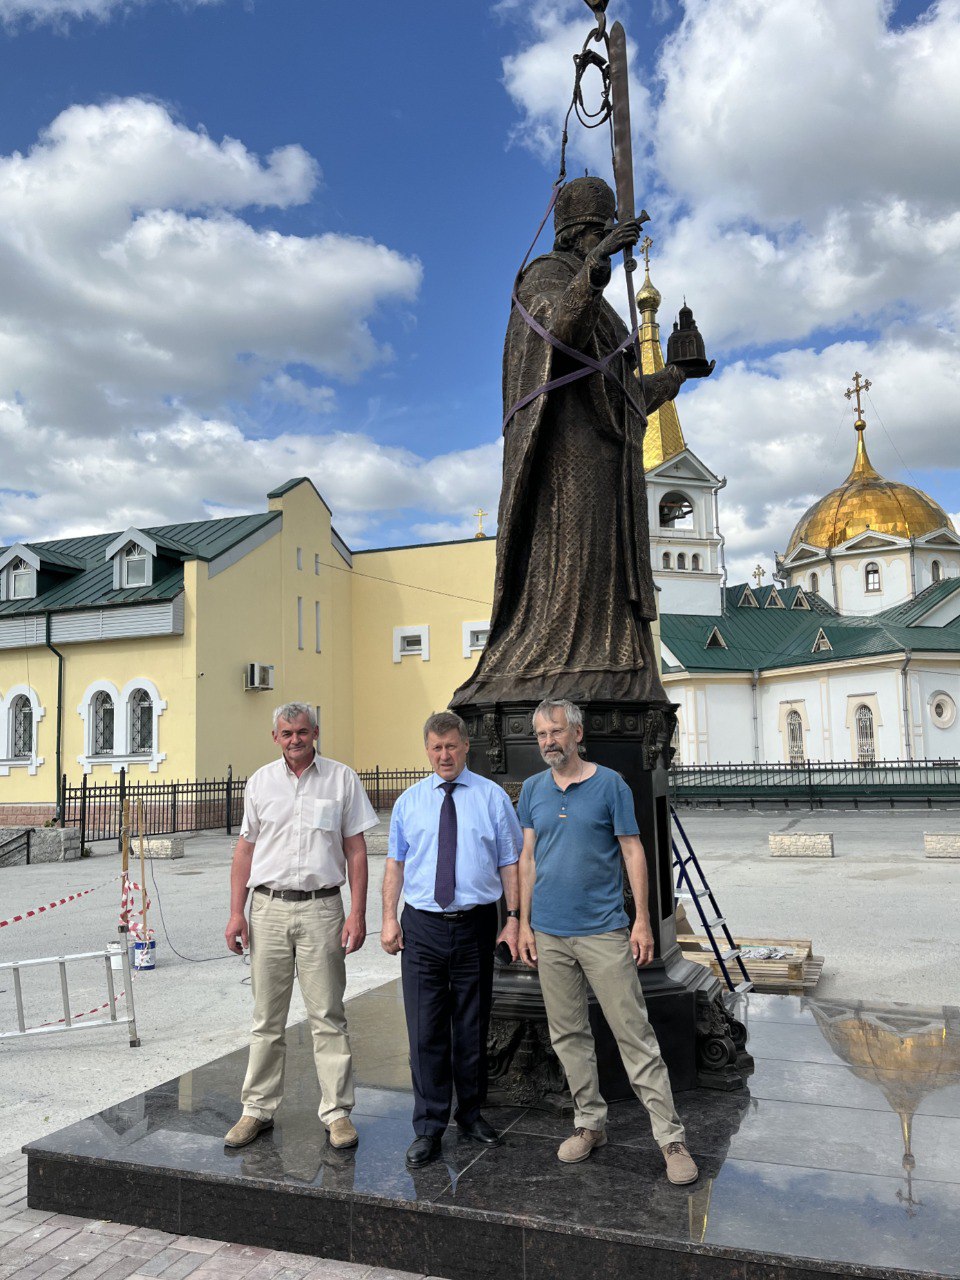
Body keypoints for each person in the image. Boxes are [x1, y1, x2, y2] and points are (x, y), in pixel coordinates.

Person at [452, 175, 687, 711]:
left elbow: (621, 392)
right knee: (571, 559)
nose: (606, 240)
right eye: (600, 231)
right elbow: (560, 330)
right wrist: (598, 266)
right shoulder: (545, 276)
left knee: (601, 564)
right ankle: (557, 667)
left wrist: (675, 375)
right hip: (564, 455)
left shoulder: (596, 294)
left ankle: (613, 664)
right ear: (579, 232)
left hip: (607, 459)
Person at [517, 698, 698, 1186]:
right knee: (569, 1035)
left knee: (632, 1033)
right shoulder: (533, 789)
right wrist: (521, 922)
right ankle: (589, 1123)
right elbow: (527, 859)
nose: (547, 742)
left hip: (603, 931)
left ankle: (670, 1138)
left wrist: (642, 921)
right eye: (540, 735)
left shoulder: (609, 785)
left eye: (555, 732)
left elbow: (633, 850)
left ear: (577, 733)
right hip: (550, 934)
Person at [223, 702, 377, 1151]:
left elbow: (357, 852)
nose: (295, 739)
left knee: (327, 1015)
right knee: (266, 1018)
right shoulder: (260, 783)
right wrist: (237, 912)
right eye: (287, 733)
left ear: (315, 732)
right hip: (267, 909)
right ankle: (257, 1108)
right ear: (276, 736)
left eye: (303, 732)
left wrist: (358, 912)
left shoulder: (341, 779)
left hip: (322, 909)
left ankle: (337, 1113)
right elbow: (244, 853)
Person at [382, 711, 523, 1168]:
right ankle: (428, 1127)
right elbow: (396, 865)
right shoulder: (409, 802)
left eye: (452, 746)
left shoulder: (492, 797)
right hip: (421, 926)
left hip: (475, 923)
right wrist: (388, 918)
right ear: (427, 750)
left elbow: (510, 862)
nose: (444, 755)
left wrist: (514, 918)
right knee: (425, 1030)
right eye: (436, 747)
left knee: (471, 1024)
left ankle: (472, 1113)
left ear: (466, 747)